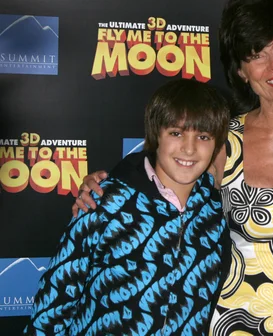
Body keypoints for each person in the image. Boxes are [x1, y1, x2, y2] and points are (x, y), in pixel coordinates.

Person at [73, 0, 273, 335]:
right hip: (233, 323)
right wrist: (102, 187)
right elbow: (153, 177)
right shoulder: (221, 141)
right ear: (240, 71)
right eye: (257, 55)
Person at [25, 79, 231, 335]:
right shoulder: (105, 201)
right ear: (156, 134)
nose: (189, 148)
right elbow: (53, 302)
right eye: (176, 133)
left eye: (203, 136)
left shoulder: (214, 214)